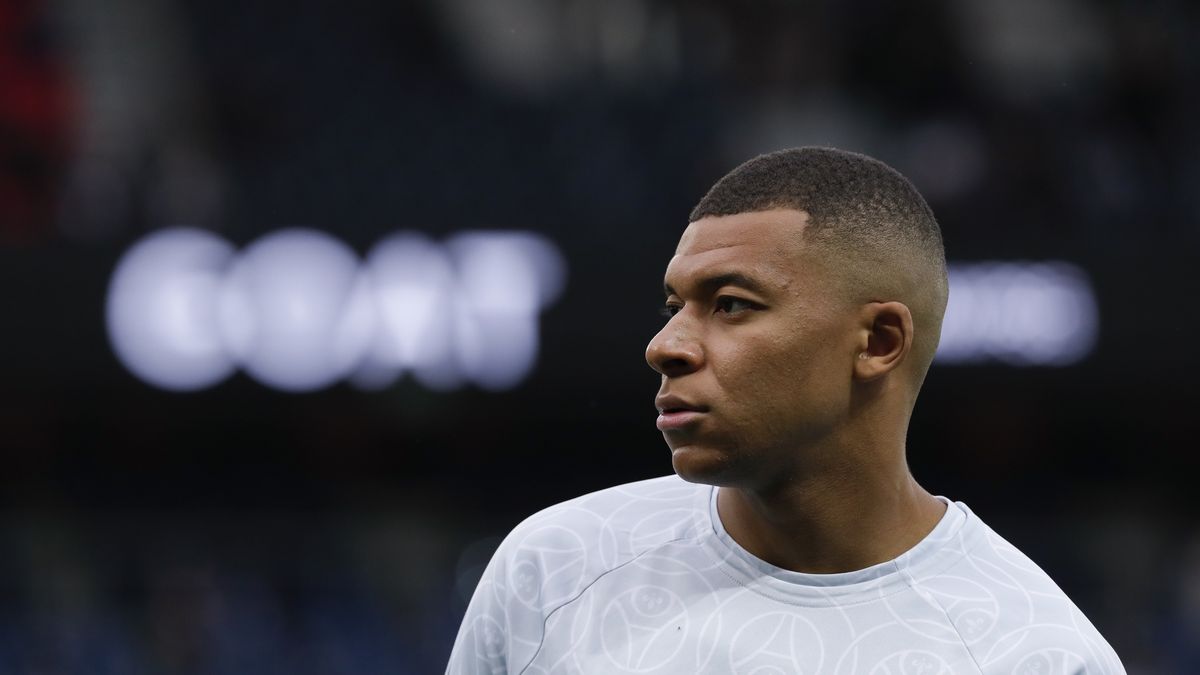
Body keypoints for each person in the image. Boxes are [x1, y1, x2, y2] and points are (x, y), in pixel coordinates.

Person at [446, 147, 1125, 674]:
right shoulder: (555, 568)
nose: (666, 345)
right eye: (672, 306)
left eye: (731, 304)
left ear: (879, 341)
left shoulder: (1033, 654)